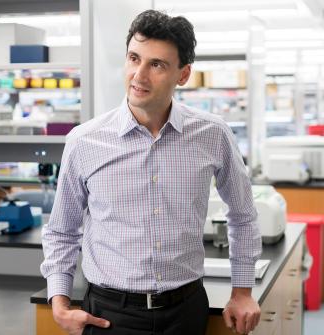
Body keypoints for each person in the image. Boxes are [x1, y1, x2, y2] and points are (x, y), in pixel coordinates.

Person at [41, 9, 262, 335]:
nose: (138, 75)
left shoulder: (213, 134)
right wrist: (59, 304)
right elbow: (62, 230)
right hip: (110, 315)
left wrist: (242, 291)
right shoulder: (84, 141)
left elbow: (243, 214)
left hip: (186, 311)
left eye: (156, 64)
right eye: (134, 58)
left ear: (183, 74)